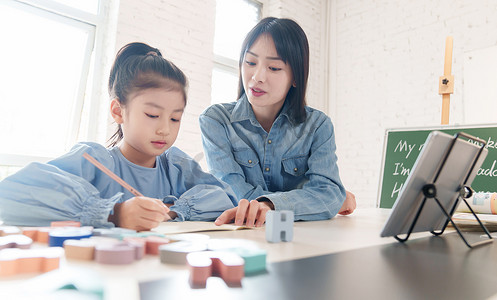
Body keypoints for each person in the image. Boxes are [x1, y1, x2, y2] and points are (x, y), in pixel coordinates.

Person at [0, 42, 237, 231]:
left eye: (175, 118)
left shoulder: (176, 165)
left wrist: (170, 209)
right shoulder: (94, 160)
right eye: (152, 115)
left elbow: (226, 198)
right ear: (118, 111)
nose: (165, 129)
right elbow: (10, 194)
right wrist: (114, 213)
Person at [199, 17, 356, 227]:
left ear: (295, 77)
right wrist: (311, 201)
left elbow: (327, 194)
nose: (257, 77)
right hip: (240, 237)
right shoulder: (216, 121)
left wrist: (271, 205)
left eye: (273, 68)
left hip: (304, 240)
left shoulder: (318, 125)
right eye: (250, 62)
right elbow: (230, 191)